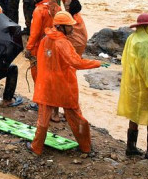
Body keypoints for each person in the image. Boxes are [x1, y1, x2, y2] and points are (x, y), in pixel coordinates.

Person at [30, 11, 101, 155]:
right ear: (61, 27)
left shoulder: (45, 39)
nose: (72, 29)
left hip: (46, 85)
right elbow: (76, 62)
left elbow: (41, 60)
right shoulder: (62, 43)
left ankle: (36, 148)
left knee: (43, 119)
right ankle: (85, 147)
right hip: (63, 86)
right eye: (70, 26)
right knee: (76, 117)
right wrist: (97, 63)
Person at [117, 12, 148, 160]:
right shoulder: (145, 42)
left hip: (133, 85)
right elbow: (145, 66)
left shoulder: (132, 38)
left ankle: (130, 147)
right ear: (146, 26)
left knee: (134, 115)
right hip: (144, 85)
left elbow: (125, 60)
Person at [24, 0, 58, 81]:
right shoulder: (55, 7)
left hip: (38, 48)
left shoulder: (39, 10)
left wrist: (29, 48)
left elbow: (35, 32)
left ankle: (39, 95)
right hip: (52, 47)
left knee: (38, 76)